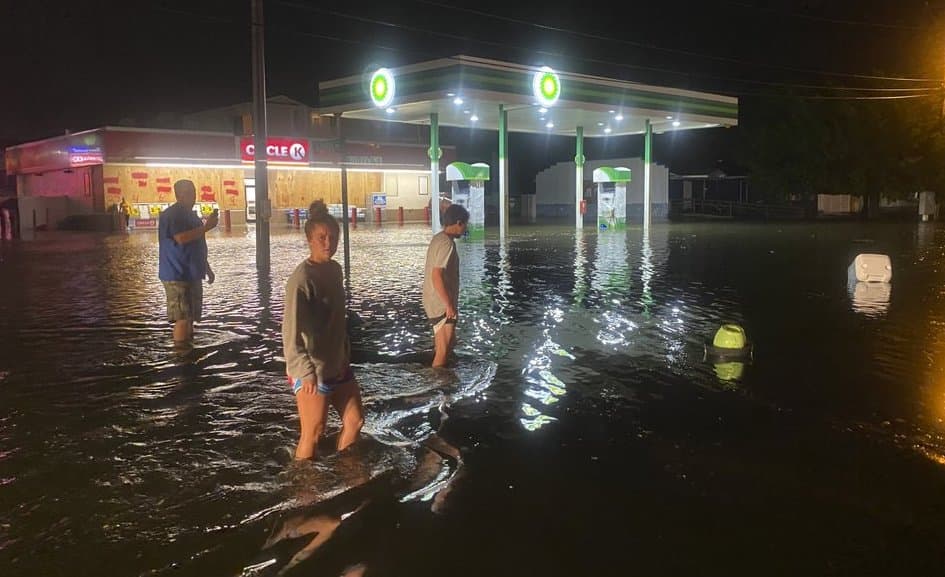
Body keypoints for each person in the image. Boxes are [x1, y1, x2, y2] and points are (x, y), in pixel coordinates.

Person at [283, 199, 364, 460]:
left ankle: (345, 473)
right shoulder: (301, 280)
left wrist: (344, 352)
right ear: (309, 239)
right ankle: (305, 489)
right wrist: (305, 372)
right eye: (321, 237)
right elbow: (290, 332)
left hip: (337, 363)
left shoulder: (335, 269)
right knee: (313, 432)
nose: (328, 242)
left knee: (355, 420)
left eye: (333, 237)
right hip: (312, 369)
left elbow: (337, 320)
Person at [158, 179, 217, 343]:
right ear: (179, 195)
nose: (193, 196)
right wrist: (207, 227)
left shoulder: (191, 215)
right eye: (189, 192)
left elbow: (198, 243)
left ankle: (188, 350)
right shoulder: (173, 215)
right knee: (182, 318)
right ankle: (181, 355)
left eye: (194, 192)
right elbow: (181, 238)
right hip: (177, 274)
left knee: (190, 316)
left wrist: (207, 268)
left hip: (192, 272)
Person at [422, 203, 469, 368]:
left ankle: (445, 379)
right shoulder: (447, 244)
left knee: (450, 344)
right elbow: (436, 275)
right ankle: (438, 387)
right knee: (443, 351)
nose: (465, 228)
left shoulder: (438, 238)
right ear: (458, 223)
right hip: (440, 304)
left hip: (433, 300)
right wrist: (449, 305)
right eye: (465, 224)